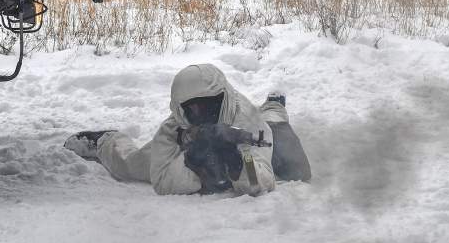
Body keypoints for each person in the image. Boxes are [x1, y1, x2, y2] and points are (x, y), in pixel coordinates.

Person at [64, 64, 312, 196]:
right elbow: (161, 181)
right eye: (192, 109)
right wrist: (192, 161)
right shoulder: (173, 129)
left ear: (222, 99)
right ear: (181, 110)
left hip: (261, 130)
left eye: (208, 106)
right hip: (186, 148)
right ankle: (106, 140)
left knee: (295, 168)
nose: (202, 115)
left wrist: (236, 160)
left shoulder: (246, 121)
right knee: (129, 165)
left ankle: (273, 108)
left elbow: (260, 180)